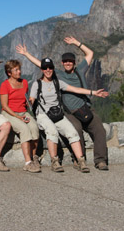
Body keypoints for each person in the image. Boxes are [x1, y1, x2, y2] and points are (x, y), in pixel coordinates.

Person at [17, 38, 110, 170]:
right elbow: (42, 65)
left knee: (100, 130)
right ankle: (79, 160)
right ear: (62, 63)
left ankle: (100, 161)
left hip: (85, 108)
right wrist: (26, 54)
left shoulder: (81, 70)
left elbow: (90, 54)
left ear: (74, 62)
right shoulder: (58, 75)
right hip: (69, 112)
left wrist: (76, 43)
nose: (67, 63)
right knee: (76, 130)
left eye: (70, 61)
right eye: (65, 61)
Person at [28, 57, 102, 173]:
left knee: (72, 133)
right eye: (45, 68)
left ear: (53, 69)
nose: (48, 70)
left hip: (57, 114)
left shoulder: (58, 82)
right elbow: (32, 98)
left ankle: (80, 161)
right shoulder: (37, 84)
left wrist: (93, 92)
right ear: (42, 70)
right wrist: (30, 101)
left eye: (50, 67)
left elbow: (76, 89)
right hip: (43, 115)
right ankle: (55, 161)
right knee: (52, 131)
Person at [0, 60, 41, 173]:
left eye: (19, 69)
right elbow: (4, 105)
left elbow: (25, 100)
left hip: (23, 112)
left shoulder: (25, 82)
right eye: (16, 70)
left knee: (34, 128)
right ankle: (27, 163)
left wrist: (30, 102)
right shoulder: (5, 85)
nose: (19, 72)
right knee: (24, 129)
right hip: (9, 113)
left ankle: (33, 157)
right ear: (9, 73)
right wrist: (17, 117)